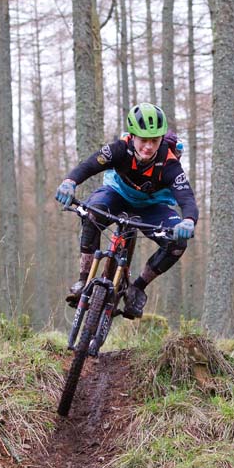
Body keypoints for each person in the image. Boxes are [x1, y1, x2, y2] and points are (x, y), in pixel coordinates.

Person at [55, 103, 198, 319]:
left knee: (178, 244)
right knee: (92, 214)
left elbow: (186, 197)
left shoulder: (169, 163)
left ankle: (137, 288)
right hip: (116, 194)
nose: (148, 147)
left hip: (151, 206)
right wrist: (69, 182)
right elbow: (89, 165)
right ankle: (84, 278)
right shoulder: (119, 149)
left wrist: (188, 220)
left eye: (154, 141)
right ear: (132, 136)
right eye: (143, 140)